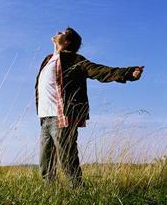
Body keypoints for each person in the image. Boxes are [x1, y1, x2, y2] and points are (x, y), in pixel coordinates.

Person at [35, 27, 144, 188]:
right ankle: (50, 195)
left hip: (63, 117)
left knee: (67, 161)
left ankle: (78, 192)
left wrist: (127, 73)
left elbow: (99, 71)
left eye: (63, 33)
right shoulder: (48, 59)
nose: (58, 32)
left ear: (67, 41)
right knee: (45, 164)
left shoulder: (75, 60)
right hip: (45, 119)